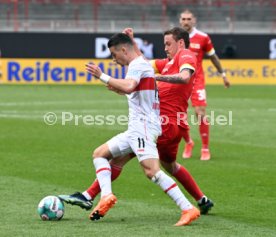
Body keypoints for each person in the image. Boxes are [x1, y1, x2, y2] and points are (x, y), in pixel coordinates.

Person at [59, 27, 213, 218]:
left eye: (168, 44)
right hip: (159, 123)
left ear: (180, 43)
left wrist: (151, 76)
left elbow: (182, 77)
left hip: (160, 122)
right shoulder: (164, 62)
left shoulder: (186, 55)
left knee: (149, 169)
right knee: (163, 164)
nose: (164, 48)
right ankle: (200, 200)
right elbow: (141, 64)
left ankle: (187, 208)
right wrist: (132, 43)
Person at [179, 9, 231, 161]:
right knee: (177, 116)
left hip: (196, 80)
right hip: (178, 80)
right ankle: (188, 143)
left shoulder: (203, 37)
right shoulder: (175, 37)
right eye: (184, 19)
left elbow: (213, 57)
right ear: (180, 20)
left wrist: (223, 75)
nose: (186, 21)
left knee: (200, 113)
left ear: (194, 20)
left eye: (189, 19)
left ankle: (205, 148)